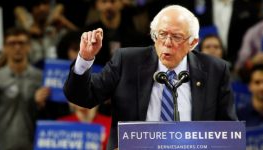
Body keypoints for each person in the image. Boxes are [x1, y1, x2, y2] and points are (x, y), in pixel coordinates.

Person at [63, 5, 237, 149]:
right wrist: (84, 59)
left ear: (193, 43)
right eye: (162, 35)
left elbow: (229, 134)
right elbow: (83, 96)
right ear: (154, 36)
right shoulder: (127, 61)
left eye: (176, 37)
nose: (167, 43)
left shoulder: (215, 70)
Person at [0, 28, 48, 150]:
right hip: (3, 146)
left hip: (34, 145)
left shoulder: (41, 77)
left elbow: (51, 115)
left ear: (29, 46)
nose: (17, 47)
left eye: (21, 43)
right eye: (12, 43)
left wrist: (41, 105)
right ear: (4, 47)